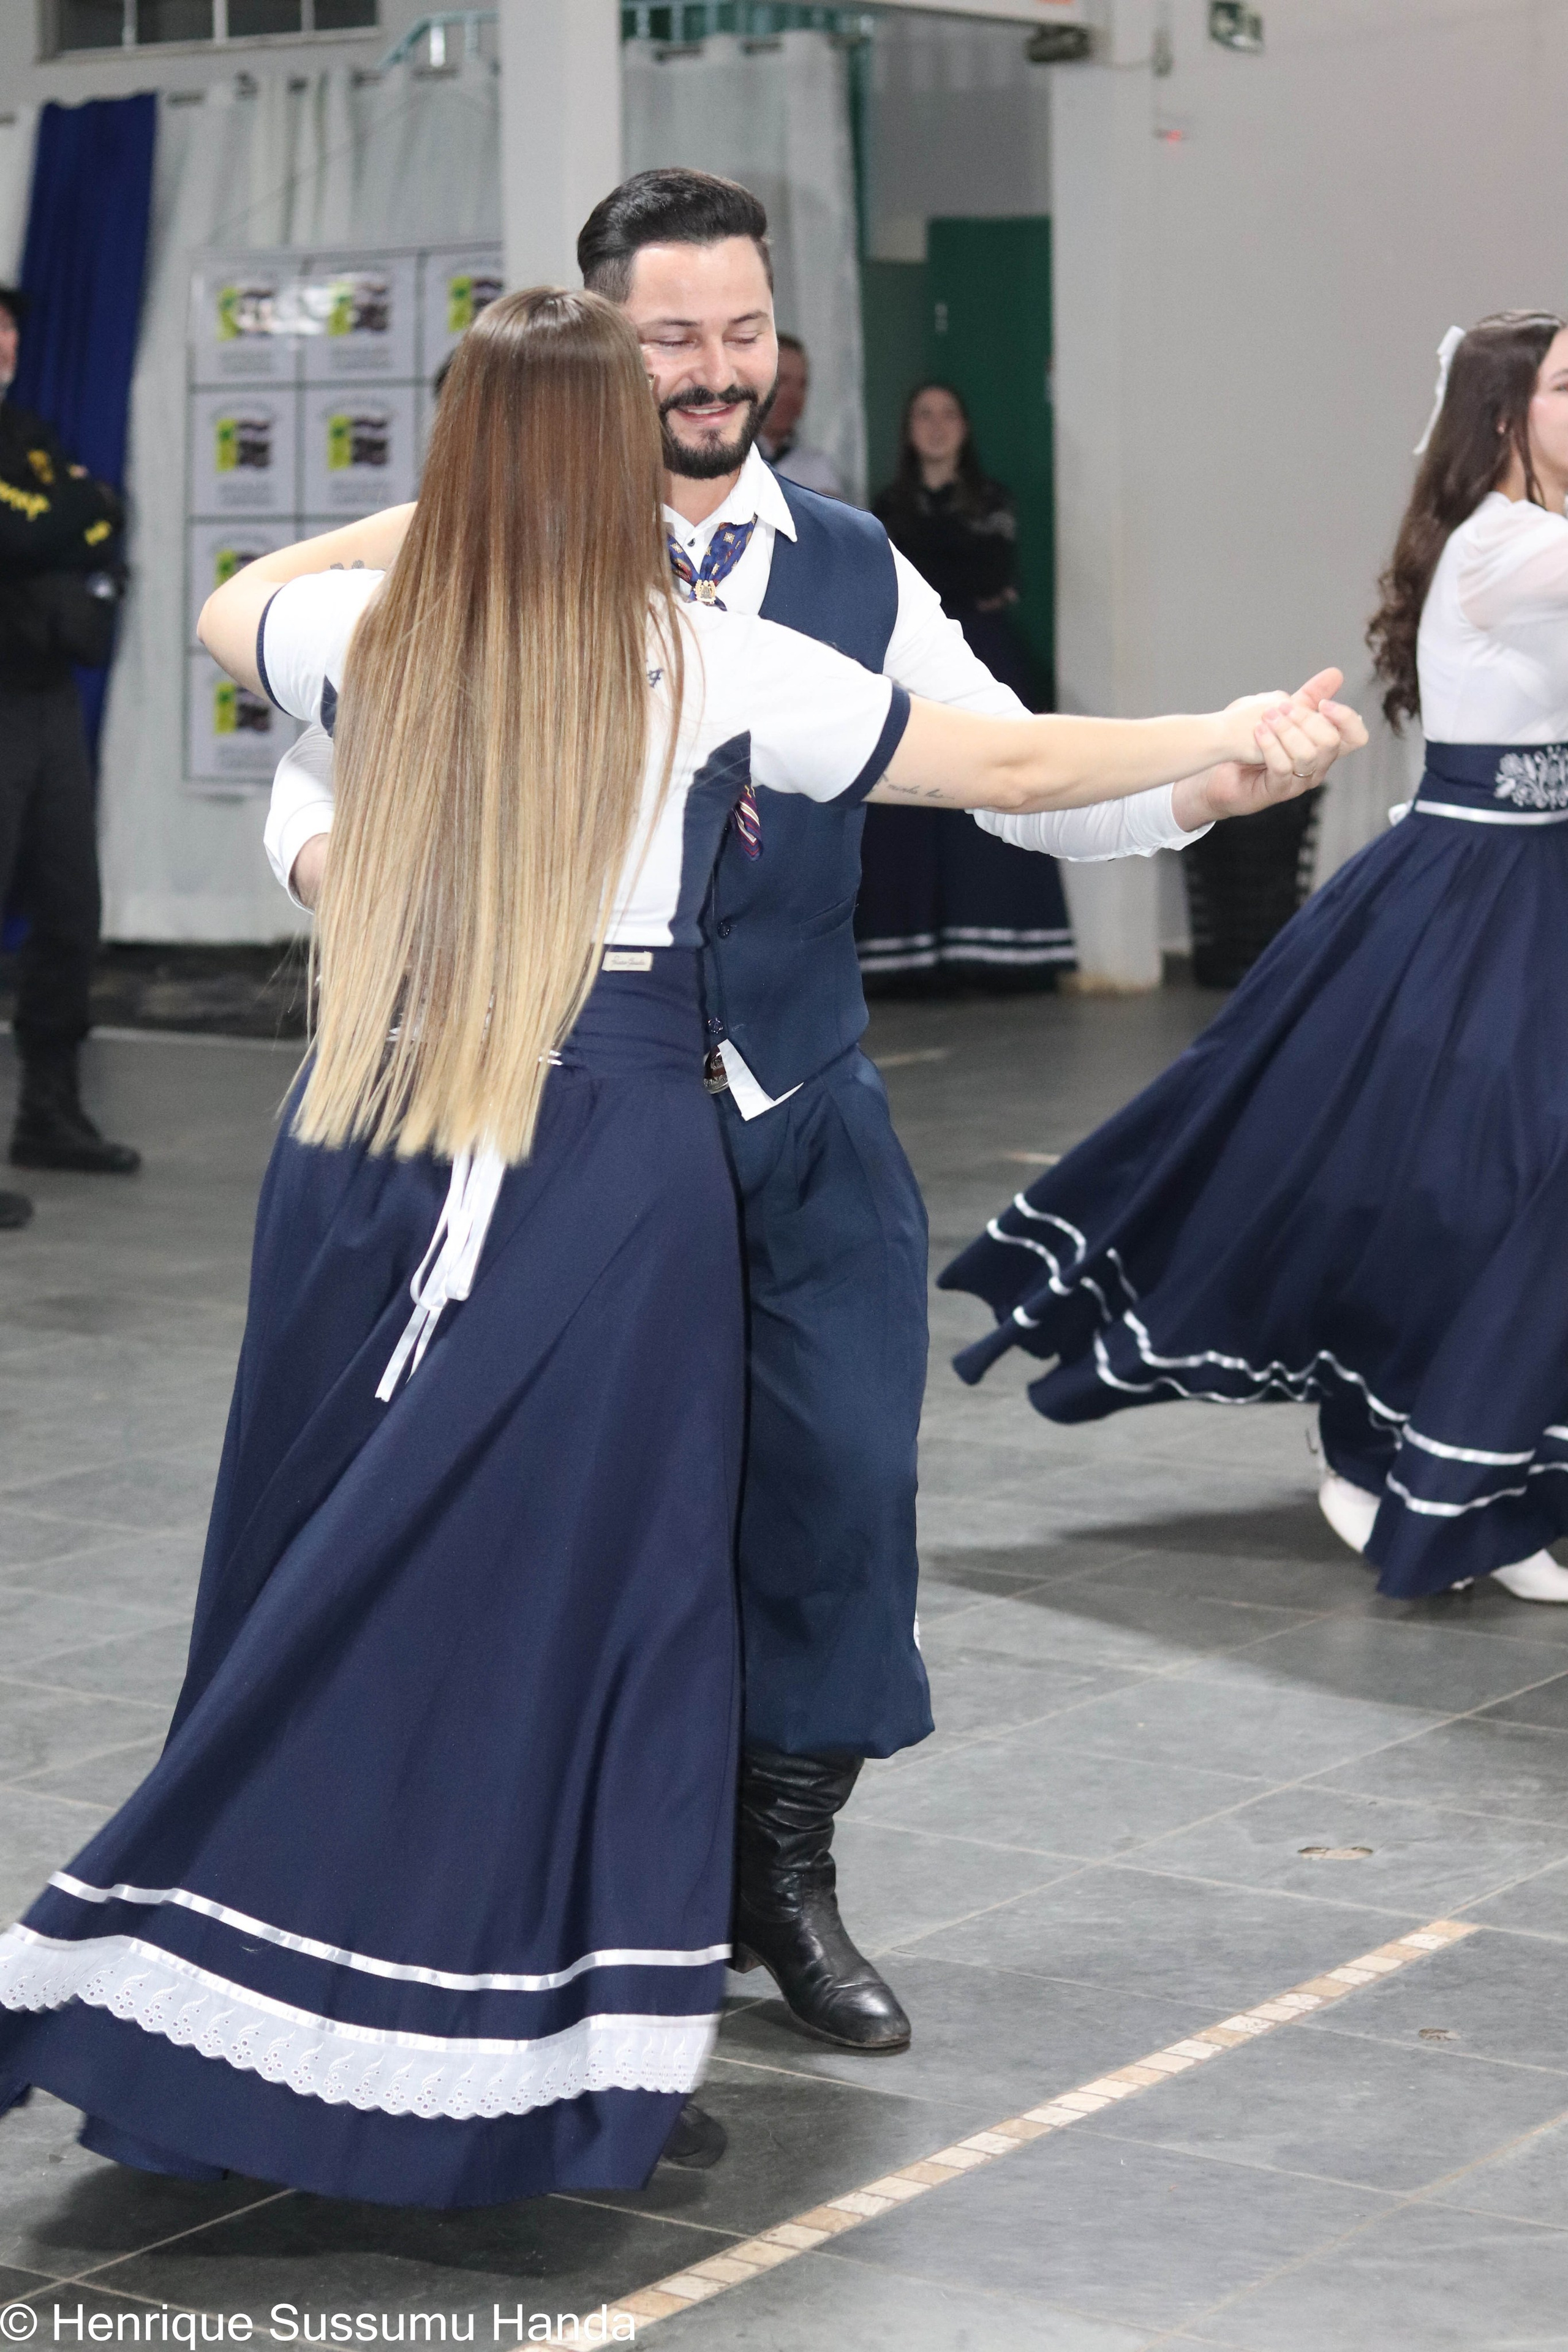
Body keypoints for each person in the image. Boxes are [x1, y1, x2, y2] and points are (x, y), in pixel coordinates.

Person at [0, 283, 1340, 2206]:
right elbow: (1009, 768)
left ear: (456, 448)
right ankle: (546, 2038)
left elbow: (240, 594)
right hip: (598, 1162)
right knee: (595, 1610)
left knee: (338, 1577)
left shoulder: (356, 621)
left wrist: (449, 498)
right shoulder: (692, 649)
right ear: (607, 454)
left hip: (369, 1150)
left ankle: (276, 1986)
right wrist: (1229, 739)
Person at [266, 169, 1364, 2063]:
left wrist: (1211, 781)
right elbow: (311, 773)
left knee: (841, 1497)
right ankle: (577, 1888)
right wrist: (354, 884)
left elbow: (1015, 777)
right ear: (598, 344)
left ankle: (780, 1871)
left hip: (799, 1118)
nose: (716, 371)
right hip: (561, 1135)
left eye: (746, 331)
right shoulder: (479, 554)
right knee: (581, 1525)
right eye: (673, 335)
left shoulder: (853, 564)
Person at [942, 311, 1568, 1608]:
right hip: (1462, 898)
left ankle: (1484, 1462)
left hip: (1537, 880)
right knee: (1464, 1182)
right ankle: (1384, 1440)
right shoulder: (1503, 546)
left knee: (1509, 1187)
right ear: (1501, 416)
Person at [0, 285, 138, 1232]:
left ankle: (48, 1113)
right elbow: (32, 530)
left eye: (11, 326)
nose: (5, 340)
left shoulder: (32, 434)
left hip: (45, 699)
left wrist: (73, 514)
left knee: (69, 907)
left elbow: (100, 512)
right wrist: (71, 517)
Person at [860, 382, 1074, 991]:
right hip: (906, 664)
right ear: (907, 429)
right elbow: (905, 577)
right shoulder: (887, 505)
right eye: (922, 414)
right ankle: (911, 959)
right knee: (913, 795)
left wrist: (945, 565)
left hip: (986, 657)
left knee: (993, 787)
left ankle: (1003, 954)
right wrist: (955, 563)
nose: (935, 426)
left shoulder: (993, 499)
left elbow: (991, 570)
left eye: (948, 414)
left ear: (965, 428)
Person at [756, 332, 843, 498]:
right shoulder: (724, 463)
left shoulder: (818, 470)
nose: (793, 396)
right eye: (782, 381)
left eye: (802, 385)